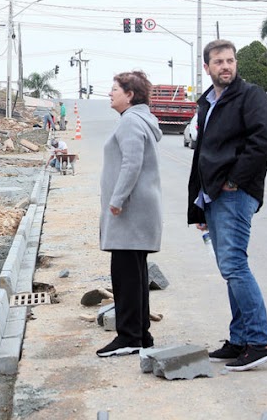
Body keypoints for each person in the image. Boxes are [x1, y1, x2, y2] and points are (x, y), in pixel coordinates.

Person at [187, 39, 267, 372]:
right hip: (216, 196)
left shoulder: (250, 95)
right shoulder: (209, 102)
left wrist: (235, 180)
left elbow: (265, 139)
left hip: (236, 193)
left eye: (230, 60)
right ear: (207, 67)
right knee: (230, 269)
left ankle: (261, 341)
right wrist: (202, 203)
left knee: (234, 265)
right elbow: (203, 155)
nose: (226, 66)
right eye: (219, 61)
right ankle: (240, 339)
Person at [97, 71, 162, 357]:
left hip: (130, 211)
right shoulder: (139, 120)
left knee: (125, 275)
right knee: (135, 274)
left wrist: (117, 199)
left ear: (130, 95)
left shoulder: (130, 122)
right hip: (138, 211)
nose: (110, 94)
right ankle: (141, 334)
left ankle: (128, 337)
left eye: (115, 89)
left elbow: (132, 163)